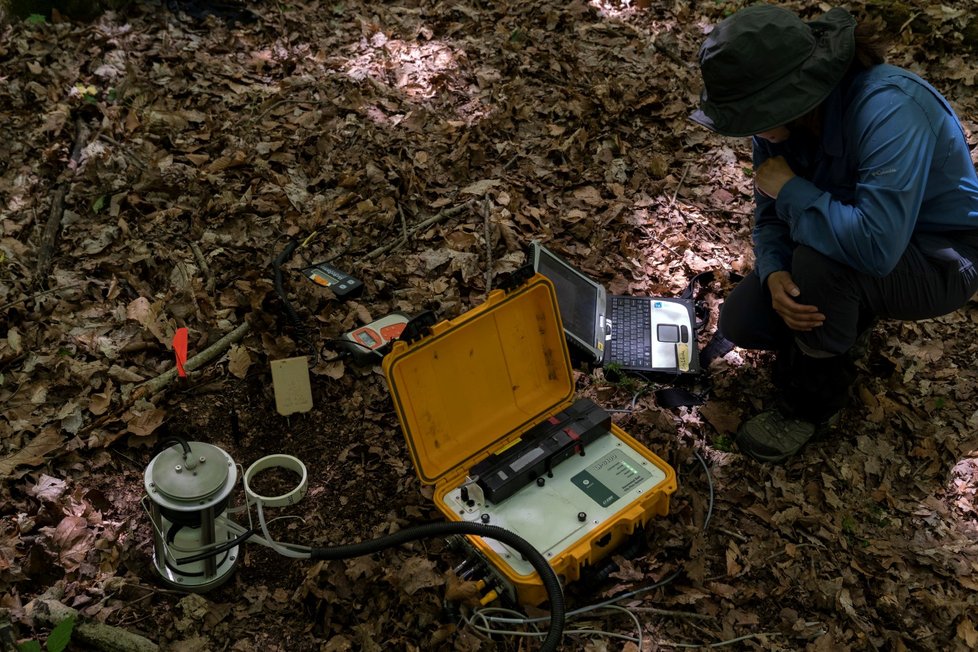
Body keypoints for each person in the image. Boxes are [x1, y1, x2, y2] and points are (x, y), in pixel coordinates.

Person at [690, 4, 978, 463]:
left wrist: (792, 190)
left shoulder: (890, 110)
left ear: (791, 97)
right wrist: (773, 273)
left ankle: (811, 403)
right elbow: (769, 218)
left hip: (942, 257)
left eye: (750, 115)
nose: (747, 130)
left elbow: (877, 248)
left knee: (823, 267)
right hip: (852, 242)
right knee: (743, 321)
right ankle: (844, 316)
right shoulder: (780, 125)